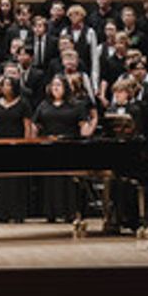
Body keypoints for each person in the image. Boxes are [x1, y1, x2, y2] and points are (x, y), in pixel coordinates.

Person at [32, 74, 95, 223]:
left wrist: (90, 126)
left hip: (69, 148)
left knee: (68, 181)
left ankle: (69, 212)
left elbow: (83, 127)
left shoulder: (76, 105)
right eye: (53, 85)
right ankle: (51, 212)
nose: (55, 88)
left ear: (65, 88)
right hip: (49, 147)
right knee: (51, 181)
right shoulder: (44, 105)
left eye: (58, 85)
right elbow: (35, 125)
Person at [0, 75, 32, 223]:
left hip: (17, 146)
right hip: (0, 145)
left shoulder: (23, 104)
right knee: (1, 180)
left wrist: (26, 143)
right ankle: (2, 213)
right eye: (3, 85)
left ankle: (17, 213)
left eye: (7, 84)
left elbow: (27, 126)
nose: (4, 87)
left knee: (16, 181)